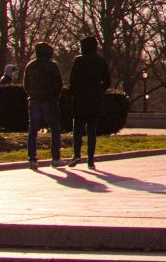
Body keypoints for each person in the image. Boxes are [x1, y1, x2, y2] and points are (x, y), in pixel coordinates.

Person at [67, 36, 111, 169]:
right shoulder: (100, 61)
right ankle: (90, 159)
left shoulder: (79, 60)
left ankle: (76, 155)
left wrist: (74, 92)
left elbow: (73, 80)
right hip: (95, 98)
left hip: (80, 98)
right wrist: (99, 90)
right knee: (92, 129)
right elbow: (107, 81)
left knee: (77, 129)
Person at [23, 42, 64, 168]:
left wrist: (32, 94)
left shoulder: (30, 66)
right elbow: (59, 84)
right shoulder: (52, 66)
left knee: (33, 130)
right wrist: (54, 97)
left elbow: (26, 84)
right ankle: (55, 158)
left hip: (34, 100)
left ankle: (32, 159)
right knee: (55, 129)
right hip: (49, 101)